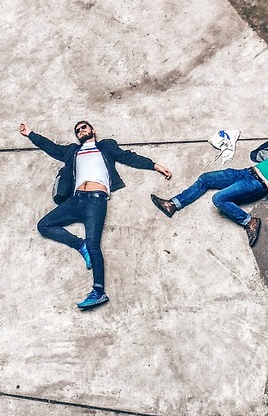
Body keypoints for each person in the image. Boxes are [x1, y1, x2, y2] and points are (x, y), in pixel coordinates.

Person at [20, 119, 172, 310]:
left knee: (94, 245)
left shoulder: (105, 147)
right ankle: (79, 244)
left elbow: (129, 157)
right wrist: (30, 134)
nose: (81, 131)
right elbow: (51, 147)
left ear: (93, 130)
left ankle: (98, 292)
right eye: (77, 130)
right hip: (75, 201)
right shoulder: (72, 152)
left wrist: (155, 165)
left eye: (84, 127)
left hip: (96, 201)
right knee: (44, 225)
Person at [151, 90, 268, 247]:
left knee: (218, 199)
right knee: (205, 178)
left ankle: (249, 222)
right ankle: (173, 204)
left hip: (259, 185)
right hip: (247, 172)